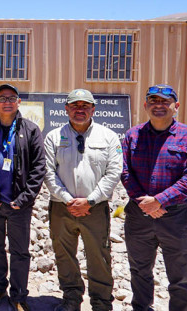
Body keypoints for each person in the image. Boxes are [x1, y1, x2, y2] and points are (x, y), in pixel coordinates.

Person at [121, 84, 187, 311]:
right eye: (153, 101)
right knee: (139, 272)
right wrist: (144, 202)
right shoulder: (132, 136)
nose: (159, 105)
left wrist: (159, 200)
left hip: (176, 217)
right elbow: (125, 172)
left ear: (175, 107)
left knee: (180, 277)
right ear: (146, 105)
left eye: (165, 102)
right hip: (139, 216)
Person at [44, 89, 123, 311]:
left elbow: (114, 171)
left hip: (95, 209)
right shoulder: (53, 137)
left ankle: (101, 304)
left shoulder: (108, 136)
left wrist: (91, 200)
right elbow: (48, 172)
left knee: (99, 256)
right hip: (61, 207)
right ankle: (71, 300)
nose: (80, 110)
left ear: (93, 109)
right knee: (64, 255)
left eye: (85, 106)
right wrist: (68, 199)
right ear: (66, 109)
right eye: (75, 106)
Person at [0, 84, 45, 311]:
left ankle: (18, 295)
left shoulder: (31, 130)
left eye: (12, 98)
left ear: (18, 102)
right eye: (2, 98)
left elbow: (38, 169)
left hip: (18, 206)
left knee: (20, 251)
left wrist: (23, 199)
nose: (7, 102)